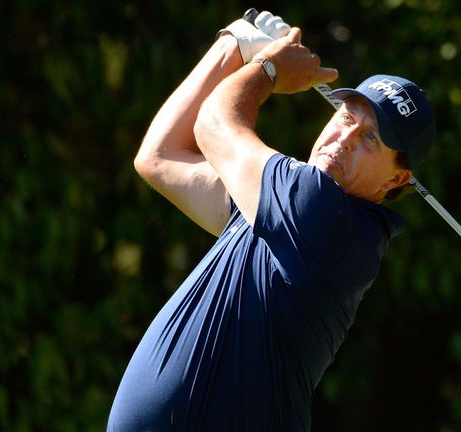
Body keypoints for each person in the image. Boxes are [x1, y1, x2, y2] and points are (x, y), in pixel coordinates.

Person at [107, 10, 436, 431]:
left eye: (370, 138)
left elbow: (213, 123)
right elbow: (159, 158)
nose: (345, 139)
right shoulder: (280, 207)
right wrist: (233, 45)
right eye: (347, 118)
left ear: (397, 178)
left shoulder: (322, 218)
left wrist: (267, 69)